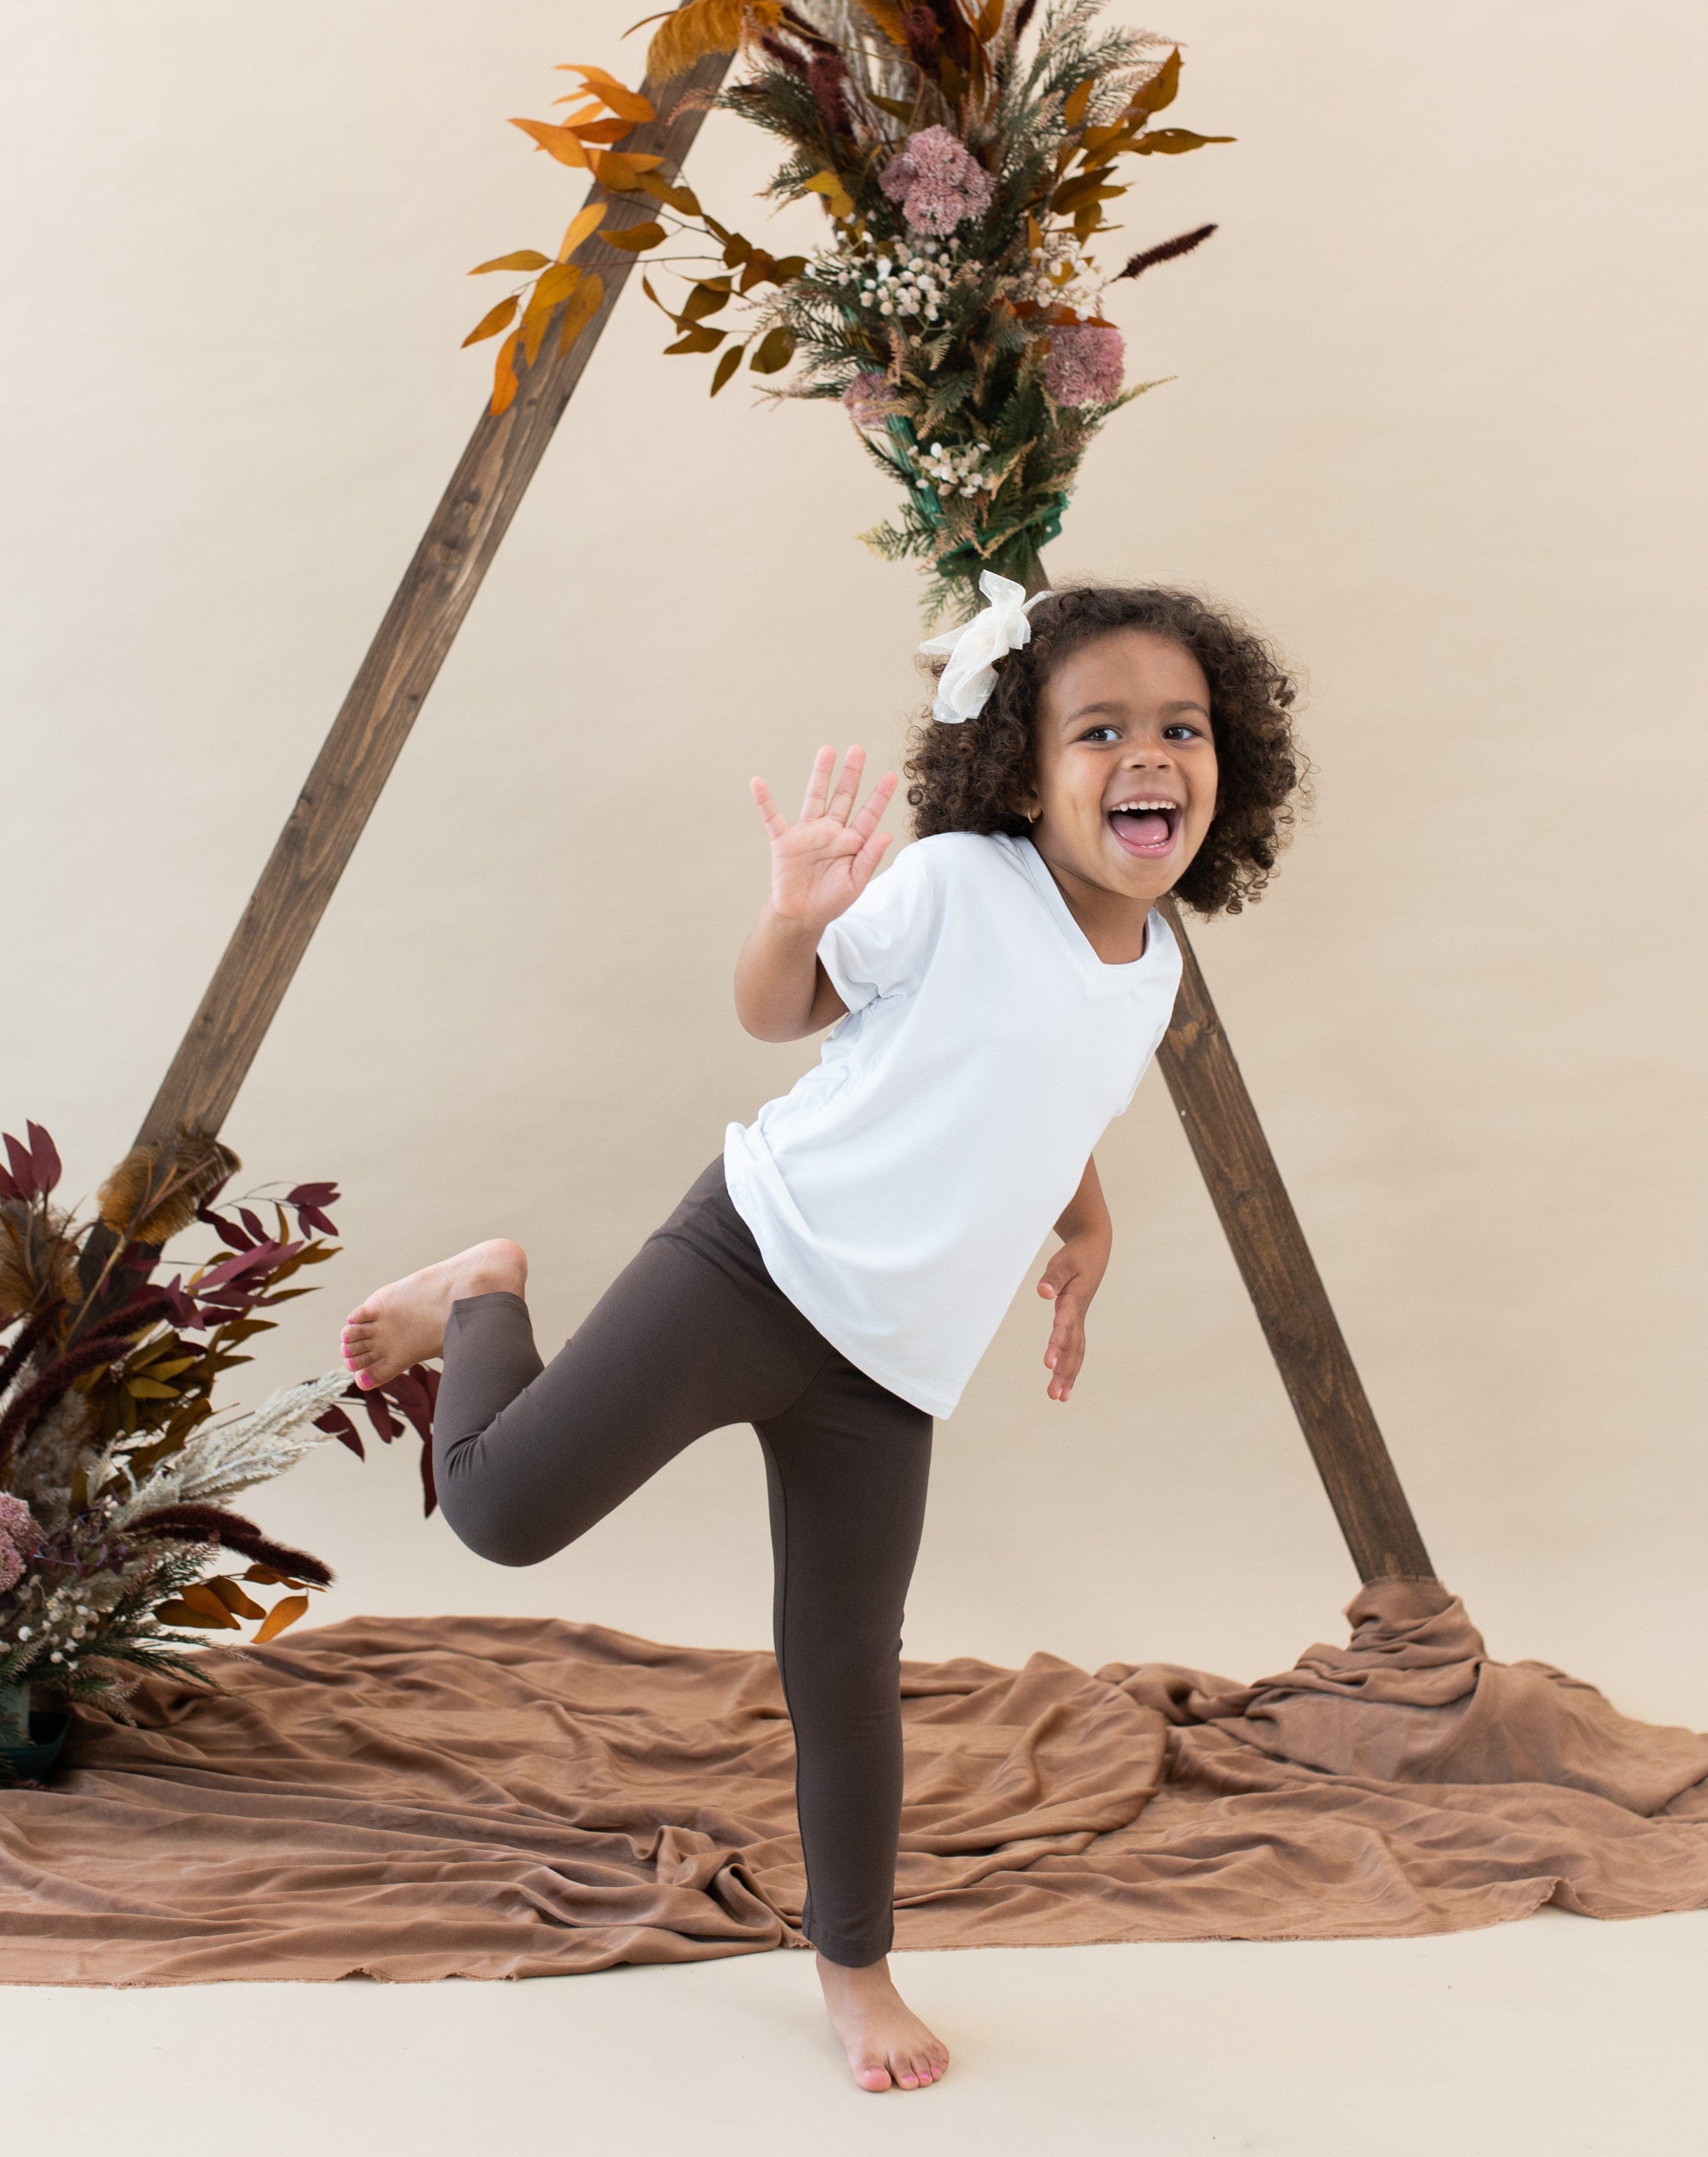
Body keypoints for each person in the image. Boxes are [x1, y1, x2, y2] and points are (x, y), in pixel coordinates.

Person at [341, 576, 1307, 2092]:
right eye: (1100, 729)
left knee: (845, 1667)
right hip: (752, 1256)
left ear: (1226, 762)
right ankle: (484, 1289)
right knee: (497, 1515)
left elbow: (1049, 1089)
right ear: (1022, 769)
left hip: (891, 1373)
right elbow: (776, 1014)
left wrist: (1087, 1223)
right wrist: (791, 916)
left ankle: (855, 1972)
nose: (1148, 757)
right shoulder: (957, 883)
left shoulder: (1159, 968)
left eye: (1180, 729)